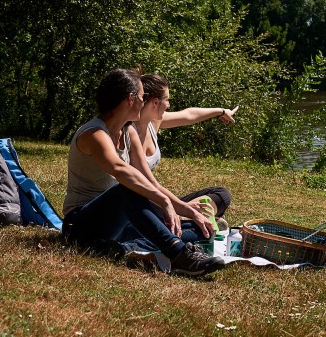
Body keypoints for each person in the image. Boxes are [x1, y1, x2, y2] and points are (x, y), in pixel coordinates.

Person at [61, 68, 225, 276]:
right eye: (141, 97)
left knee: (198, 232)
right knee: (127, 189)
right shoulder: (95, 133)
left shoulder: (128, 130)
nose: (143, 100)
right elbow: (121, 171)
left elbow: (151, 183)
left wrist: (189, 212)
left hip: (117, 224)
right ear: (131, 99)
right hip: (80, 225)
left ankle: (121, 248)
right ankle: (179, 255)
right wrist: (163, 202)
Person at [129, 73, 237, 228]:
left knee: (222, 195)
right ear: (155, 102)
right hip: (140, 202)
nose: (169, 105)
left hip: (156, 199)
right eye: (167, 100)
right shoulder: (129, 131)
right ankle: (186, 220)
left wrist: (221, 111)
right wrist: (186, 209)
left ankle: (185, 219)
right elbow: (150, 185)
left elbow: (189, 115)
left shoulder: (153, 122)